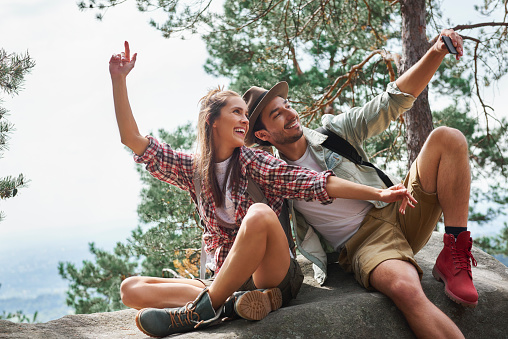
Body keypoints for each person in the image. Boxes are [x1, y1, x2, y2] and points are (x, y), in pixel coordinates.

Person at [108, 42, 416, 337]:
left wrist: (378, 193)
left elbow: (313, 183)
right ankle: (229, 304)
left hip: (272, 275)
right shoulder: (194, 169)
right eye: (236, 113)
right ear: (213, 122)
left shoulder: (255, 160)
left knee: (258, 214)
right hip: (230, 280)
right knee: (130, 289)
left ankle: (202, 310)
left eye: (245, 113)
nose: (244, 119)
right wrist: (119, 79)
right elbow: (132, 139)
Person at [244, 29, 475, 338]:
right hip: (366, 242)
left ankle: (455, 251)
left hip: (400, 206)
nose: (289, 113)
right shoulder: (272, 178)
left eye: (287, 104)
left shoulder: (332, 133)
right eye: (276, 114)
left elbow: (391, 102)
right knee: (405, 289)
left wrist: (436, 51)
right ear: (262, 135)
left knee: (448, 138)